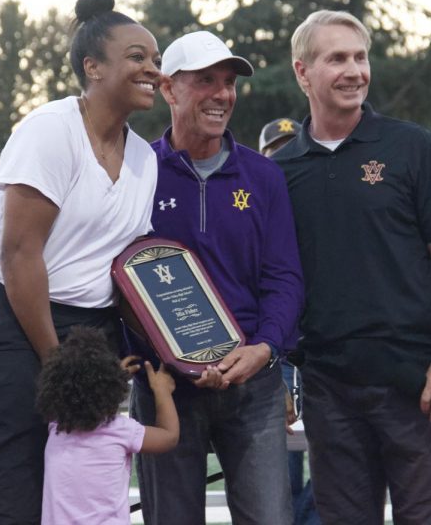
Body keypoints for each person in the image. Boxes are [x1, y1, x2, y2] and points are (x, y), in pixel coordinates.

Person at [0, 0, 161, 525]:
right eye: (137, 56)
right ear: (92, 67)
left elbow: (125, 271)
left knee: (81, 499)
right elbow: (20, 256)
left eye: (156, 60)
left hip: (88, 332)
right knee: (15, 497)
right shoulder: (49, 129)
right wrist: (60, 364)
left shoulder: (145, 157)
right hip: (14, 318)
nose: (152, 69)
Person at [272, 10, 431, 524]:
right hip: (328, 388)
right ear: (303, 72)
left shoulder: (411, 146)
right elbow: (275, 282)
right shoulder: (281, 171)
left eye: (360, 57)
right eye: (336, 58)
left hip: (416, 385)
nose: (354, 70)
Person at [129, 30, 304, 525]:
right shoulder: (136, 170)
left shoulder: (264, 176)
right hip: (165, 387)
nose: (222, 94)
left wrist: (265, 347)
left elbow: (285, 278)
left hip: (254, 383)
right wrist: (149, 357)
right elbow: (117, 277)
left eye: (228, 82)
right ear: (168, 89)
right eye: (205, 80)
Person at [37, 327, 179, 525]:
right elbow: (168, 436)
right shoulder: (120, 431)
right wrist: (162, 390)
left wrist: (112, 378)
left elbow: (79, 386)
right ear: (111, 387)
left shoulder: (57, 428)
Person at [259, 117, 320, 525]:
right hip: (275, 347)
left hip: (317, 346)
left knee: (337, 457)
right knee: (280, 466)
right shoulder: (253, 202)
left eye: (289, 146)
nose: (282, 156)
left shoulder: (319, 201)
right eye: (274, 150)